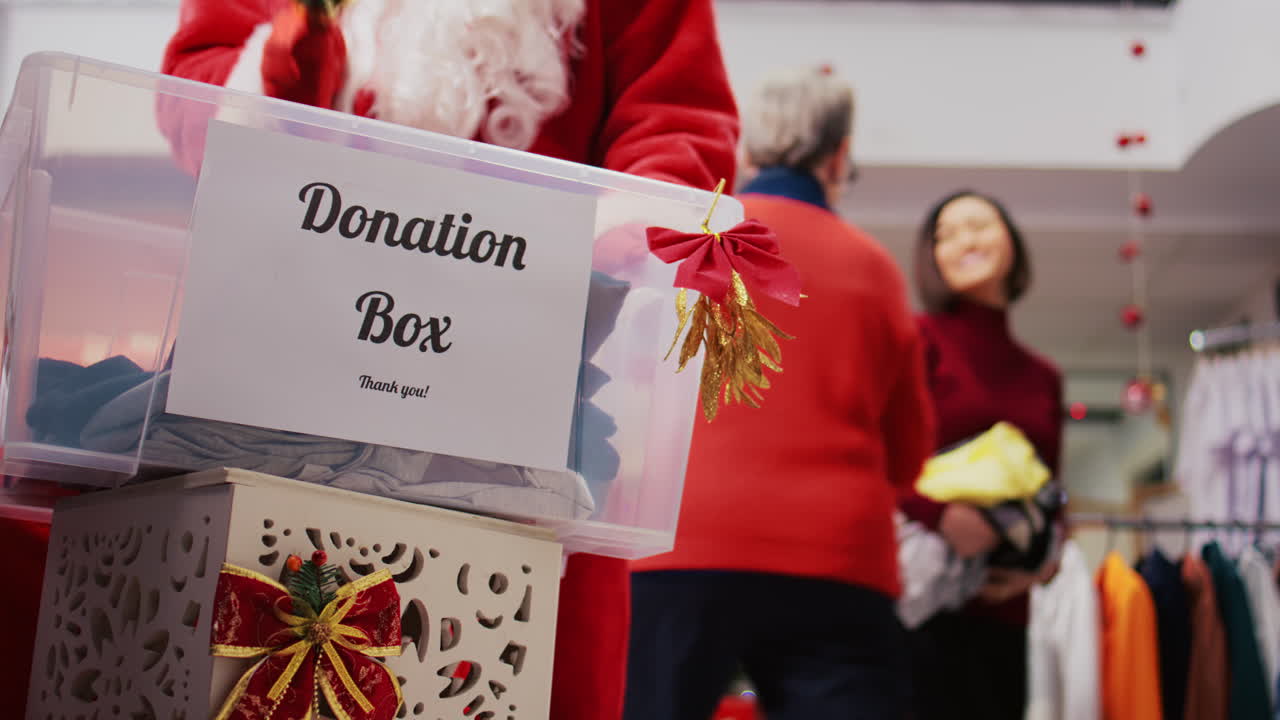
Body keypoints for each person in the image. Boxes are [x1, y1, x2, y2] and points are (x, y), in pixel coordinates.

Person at [152, 3, 740, 719]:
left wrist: (632, 232)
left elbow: (676, 125)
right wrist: (285, 57)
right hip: (281, 376)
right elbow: (195, 99)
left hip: (523, 408)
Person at [625, 66, 936, 720]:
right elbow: (910, 453)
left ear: (748, 151)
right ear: (839, 156)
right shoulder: (875, 268)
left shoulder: (692, 243)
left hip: (681, 538)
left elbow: (631, 385)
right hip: (836, 554)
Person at [900, 190, 1065, 720]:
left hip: (1006, 611)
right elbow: (873, 455)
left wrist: (1040, 567)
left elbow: (1053, 493)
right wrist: (941, 516)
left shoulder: (1043, 375)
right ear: (931, 257)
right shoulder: (917, 339)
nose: (965, 240)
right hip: (921, 603)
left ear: (1011, 242)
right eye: (946, 235)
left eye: (979, 225)